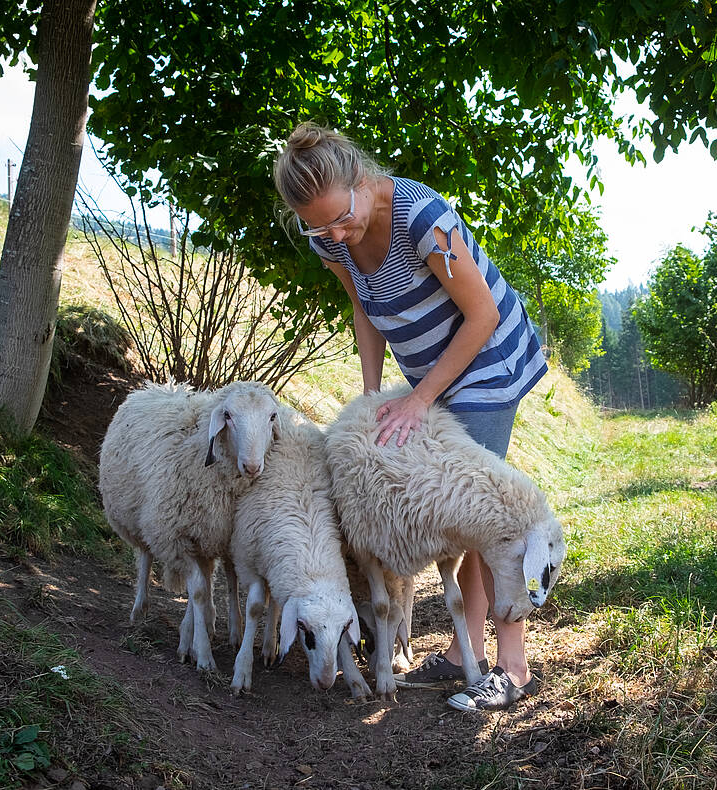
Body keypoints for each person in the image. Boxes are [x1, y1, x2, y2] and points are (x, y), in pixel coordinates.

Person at [273, 122, 548, 712]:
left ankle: (513, 666)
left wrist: (420, 401)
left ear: (360, 179)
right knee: (455, 505)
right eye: (316, 227)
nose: (334, 234)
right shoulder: (332, 238)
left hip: (487, 359)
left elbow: (482, 317)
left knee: (476, 506)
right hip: (429, 368)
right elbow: (364, 309)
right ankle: (461, 652)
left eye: (340, 217)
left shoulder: (423, 218)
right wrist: (374, 401)